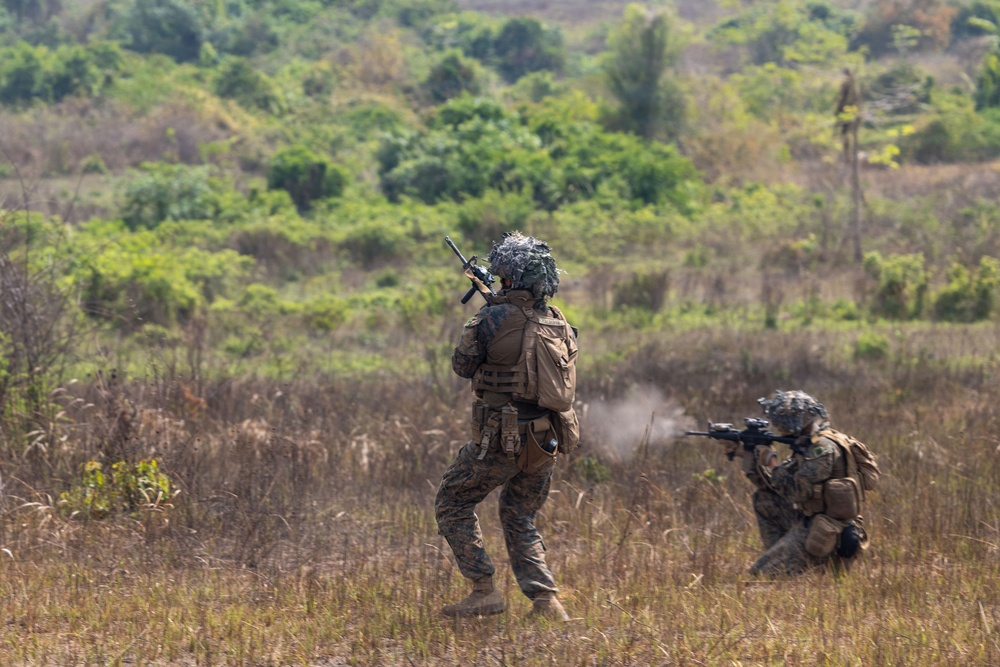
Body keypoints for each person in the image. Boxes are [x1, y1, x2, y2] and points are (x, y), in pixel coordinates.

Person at [435, 231, 578, 621]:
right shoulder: (558, 321)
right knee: (519, 515)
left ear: (510, 278)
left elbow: (462, 366)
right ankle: (546, 600)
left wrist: (489, 310)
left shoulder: (489, 317)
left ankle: (483, 589)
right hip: (546, 438)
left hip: (502, 437)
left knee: (452, 502)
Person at [738, 390, 877, 576]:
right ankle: (781, 557)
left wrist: (772, 462)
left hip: (828, 531)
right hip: (810, 519)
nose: (777, 425)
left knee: (759, 574)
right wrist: (747, 454)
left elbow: (796, 493)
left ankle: (801, 563)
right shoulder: (806, 445)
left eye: (782, 419)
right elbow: (773, 487)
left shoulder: (822, 449)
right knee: (765, 499)